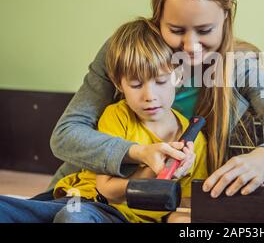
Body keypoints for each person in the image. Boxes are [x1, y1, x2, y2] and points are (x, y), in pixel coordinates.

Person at [47, 0, 264, 201]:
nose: (191, 47)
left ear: (226, 15)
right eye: (176, 30)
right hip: (90, 196)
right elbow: (66, 134)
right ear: (158, 18)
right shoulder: (126, 52)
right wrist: (138, 153)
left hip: (173, 205)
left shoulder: (242, 68)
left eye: (204, 30)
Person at [0, 18, 207, 223]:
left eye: (161, 81)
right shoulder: (117, 115)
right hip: (90, 203)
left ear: (178, 77)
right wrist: (151, 169)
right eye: (135, 85)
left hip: (121, 218)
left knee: (71, 217)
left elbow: (184, 205)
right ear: (118, 83)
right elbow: (107, 190)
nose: (149, 95)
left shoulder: (195, 142)